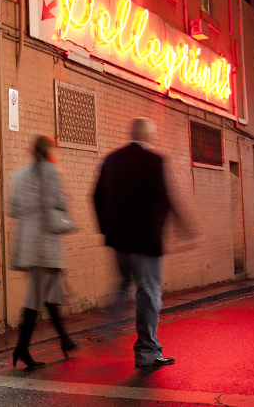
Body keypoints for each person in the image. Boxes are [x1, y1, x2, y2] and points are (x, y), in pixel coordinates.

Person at [93, 117, 177, 367]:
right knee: (149, 293)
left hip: (119, 240)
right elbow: (163, 198)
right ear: (147, 135)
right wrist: (160, 229)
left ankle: (108, 325)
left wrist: (106, 229)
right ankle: (147, 350)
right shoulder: (154, 161)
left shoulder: (111, 160)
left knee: (124, 283)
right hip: (145, 241)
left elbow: (95, 196)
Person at [7, 135, 76, 369]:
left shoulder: (18, 175)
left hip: (27, 243)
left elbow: (13, 209)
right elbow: (56, 203)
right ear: (48, 151)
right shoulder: (52, 171)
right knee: (37, 296)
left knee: (50, 294)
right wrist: (65, 201)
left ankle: (65, 340)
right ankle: (22, 349)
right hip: (45, 243)